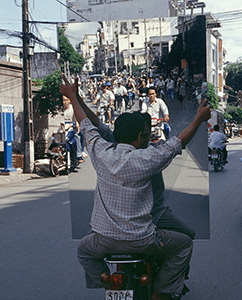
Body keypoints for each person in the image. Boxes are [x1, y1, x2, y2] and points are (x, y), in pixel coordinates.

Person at [59, 73, 211, 300]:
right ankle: (161, 291)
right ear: (141, 135)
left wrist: (73, 96)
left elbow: (86, 124)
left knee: (83, 250)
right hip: (144, 234)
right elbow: (178, 142)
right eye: (147, 133)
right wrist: (198, 119)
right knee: (185, 243)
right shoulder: (150, 157)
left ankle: (104, 279)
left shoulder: (102, 151)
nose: (150, 136)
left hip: (108, 236)